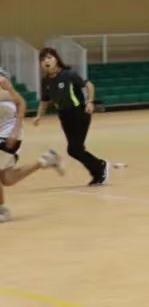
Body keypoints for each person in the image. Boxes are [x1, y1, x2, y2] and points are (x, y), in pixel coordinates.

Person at [34, 48, 109, 186]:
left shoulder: (68, 74)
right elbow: (44, 101)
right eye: (43, 59)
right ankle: (98, 170)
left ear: (56, 60)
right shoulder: (46, 81)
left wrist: (90, 102)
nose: (46, 61)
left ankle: (99, 167)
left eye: (49, 58)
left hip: (79, 113)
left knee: (74, 148)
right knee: (75, 150)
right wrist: (38, 116)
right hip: (64, 116)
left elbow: (89, 85)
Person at [0, 70, 63, 222]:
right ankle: (45, 160)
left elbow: (21, 103)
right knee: (7, 179)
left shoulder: (2, 82)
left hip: (10, 132)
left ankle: (2, 210)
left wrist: (15, 130)